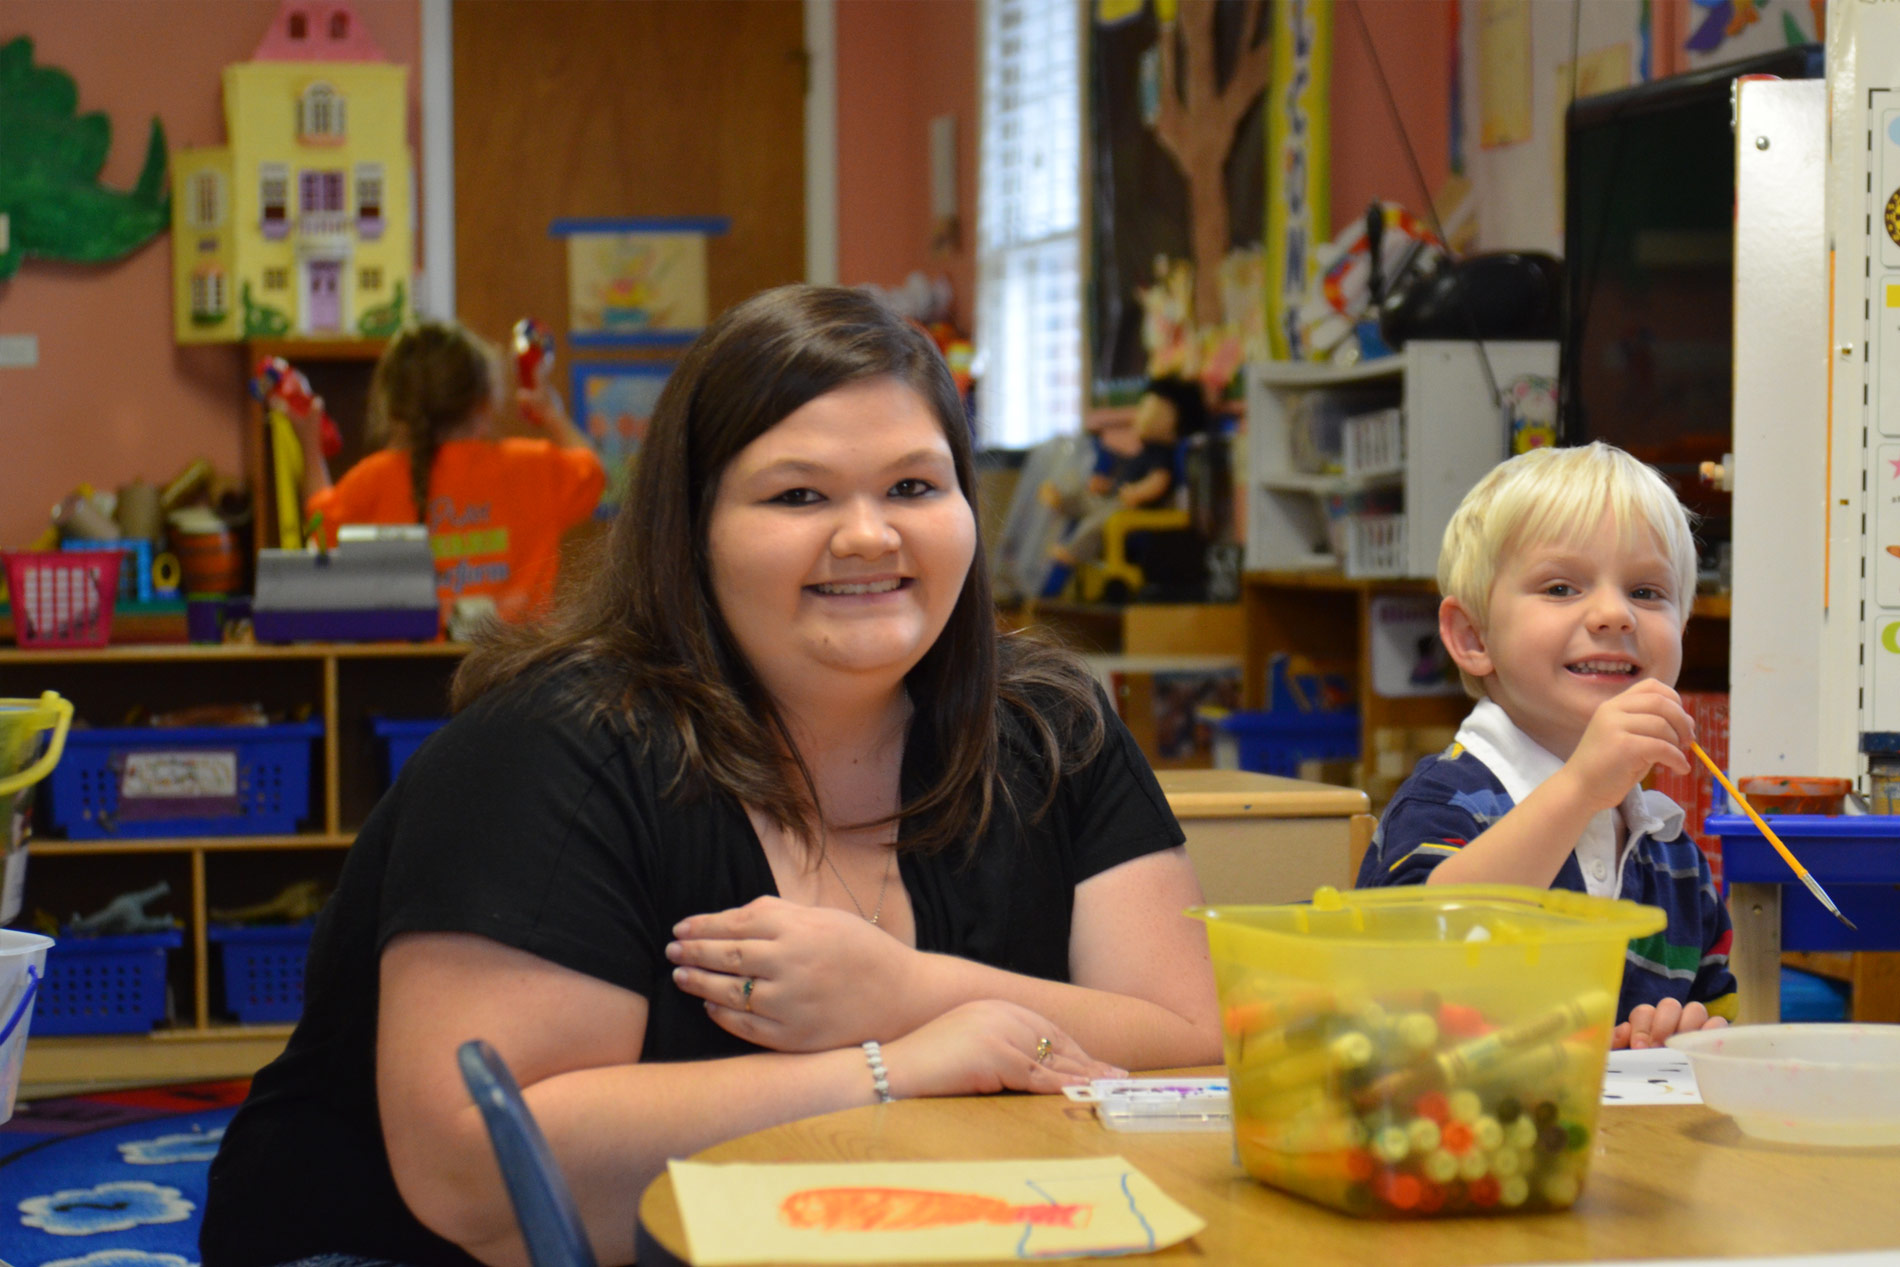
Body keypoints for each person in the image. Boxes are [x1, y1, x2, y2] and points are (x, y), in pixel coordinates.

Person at [201, 285, 1222, 1267]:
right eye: (798, 494)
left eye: (914, 485)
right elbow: (478, 1177)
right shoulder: (554, 747)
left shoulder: (1052, 725)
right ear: (691, 533)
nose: (869, 534)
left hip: (860, 1224)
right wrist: (895, 1066)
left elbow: (1187, 1048)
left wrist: (905, 991)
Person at [1354, 442, 1738, 1051]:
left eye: (1647, 592)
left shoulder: (1675, 857)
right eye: (1561, 588)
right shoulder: (1446, 802)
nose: (1615, 614)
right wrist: (1582, 788)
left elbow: (1715, 1012)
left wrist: (1689, 1031)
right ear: (1473, 636)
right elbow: (1417, 958)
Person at [289, 319, 606, 626]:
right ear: (484, 403)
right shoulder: (534, 467)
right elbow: (593, 473)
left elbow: (320, 528)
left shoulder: (373, 478)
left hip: (405, 672)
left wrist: (309, 444)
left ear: (395, 410)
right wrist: (550, 412)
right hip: (517, 673)